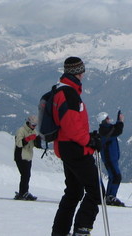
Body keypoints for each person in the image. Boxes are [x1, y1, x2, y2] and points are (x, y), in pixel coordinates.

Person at [51, 57, 103, 236]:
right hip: (75, 149)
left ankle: (60, 232)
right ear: (77, 73)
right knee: (97, 191)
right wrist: (89, 141)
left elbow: (71, 126)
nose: (84, 75)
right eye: (82, 71)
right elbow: (71, 127)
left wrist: (88, 137)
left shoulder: (61, 90)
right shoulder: (69, 94)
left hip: (67, 147)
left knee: (73, 192)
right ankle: (82, 230)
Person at [98, 110, 125, 206]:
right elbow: (117, 130)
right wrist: (120, 121)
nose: (109, 119)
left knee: (113, 176)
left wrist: (119, 121)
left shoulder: (105, 129)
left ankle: (109, 196)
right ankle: (111, 196)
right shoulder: (105, 131)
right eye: (107, 118)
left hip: (111, 158)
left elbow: (115, 129)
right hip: (110, 158)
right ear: (104, 121)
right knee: (116, 176)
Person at [14, 114, 38, 200]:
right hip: (20, 156)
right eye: (33, 125)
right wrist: (28, 139)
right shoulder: (21, 130)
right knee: (25, 175)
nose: (34, 127)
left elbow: (36, 145)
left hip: (28, 156)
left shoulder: (34, 132)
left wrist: (38, 141)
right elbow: (19, 144)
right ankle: (23, 193)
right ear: (28, 123)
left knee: (26, 175)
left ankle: (23, 192)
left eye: (35, 125)